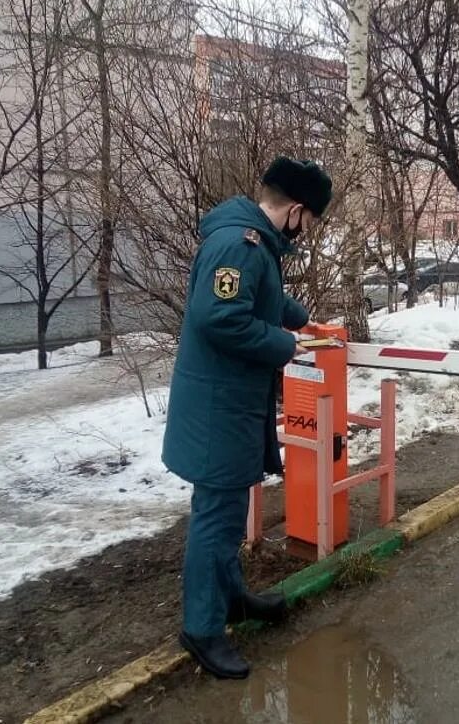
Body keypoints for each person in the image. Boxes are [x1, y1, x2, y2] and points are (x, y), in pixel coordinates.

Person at [162, 156, 333, 679]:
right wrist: (286, 344)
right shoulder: (241, 243)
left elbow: (264, 297)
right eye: (310, 223)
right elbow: (219, 317)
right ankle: (203, 629)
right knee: (216, 518)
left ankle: (231, 599)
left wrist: (307, 321)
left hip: (229, 402)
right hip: (219, 407)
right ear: (297, 211)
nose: (307, 234)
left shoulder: (252, 240)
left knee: (228, 511)